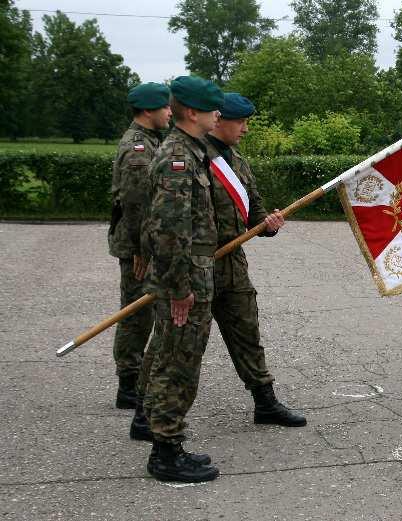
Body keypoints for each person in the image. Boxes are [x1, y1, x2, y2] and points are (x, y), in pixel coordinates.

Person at [139, 75, 225, 482]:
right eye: (212, 108)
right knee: (177, 365)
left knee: (174, 361)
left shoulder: (190, 151)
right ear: (193, 112)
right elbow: (169, 230)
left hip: (190, 277)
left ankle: (168, 443)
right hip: (184, 282)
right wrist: (179, 290)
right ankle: (166, 454)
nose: (218, 115)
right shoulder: (178, 157)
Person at [202, 93, 306, 427]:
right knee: (180, 346)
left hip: (232, 265)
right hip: (197, 266)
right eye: (241, 122)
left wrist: (269, 224)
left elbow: (255, 213)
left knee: (247, 334)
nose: (246, 129)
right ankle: (148, 414)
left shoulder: (238, 162)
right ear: (219, 120)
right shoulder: (194, 157)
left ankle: (265, 403)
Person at [107, 83, 172, 409]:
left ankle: (139, 378)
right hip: (137, 246)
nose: (170, 112)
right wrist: (140, 250)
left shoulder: (151, 141)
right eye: (165, 107)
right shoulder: (137, 148)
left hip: (146, 243)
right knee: (136, 313)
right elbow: (135, 204)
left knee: (145, 311)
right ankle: (128, 385)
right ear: (148, 111)